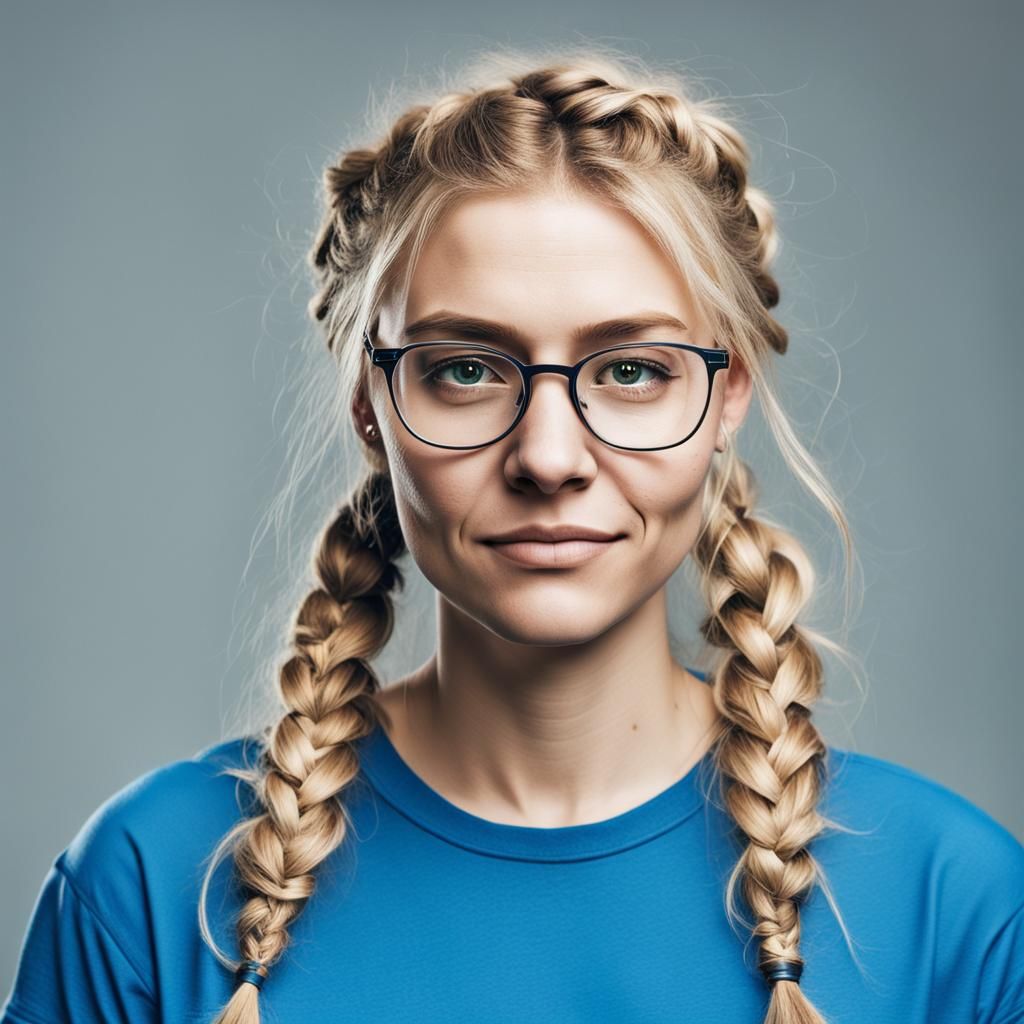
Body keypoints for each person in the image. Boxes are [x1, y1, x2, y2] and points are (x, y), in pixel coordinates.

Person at [3, 44, 1022, 1024]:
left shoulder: (951, 904)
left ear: (725, 400)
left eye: (630, 370)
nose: (547, 456)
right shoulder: (145, 886)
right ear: (370, 403)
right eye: (465, 368)